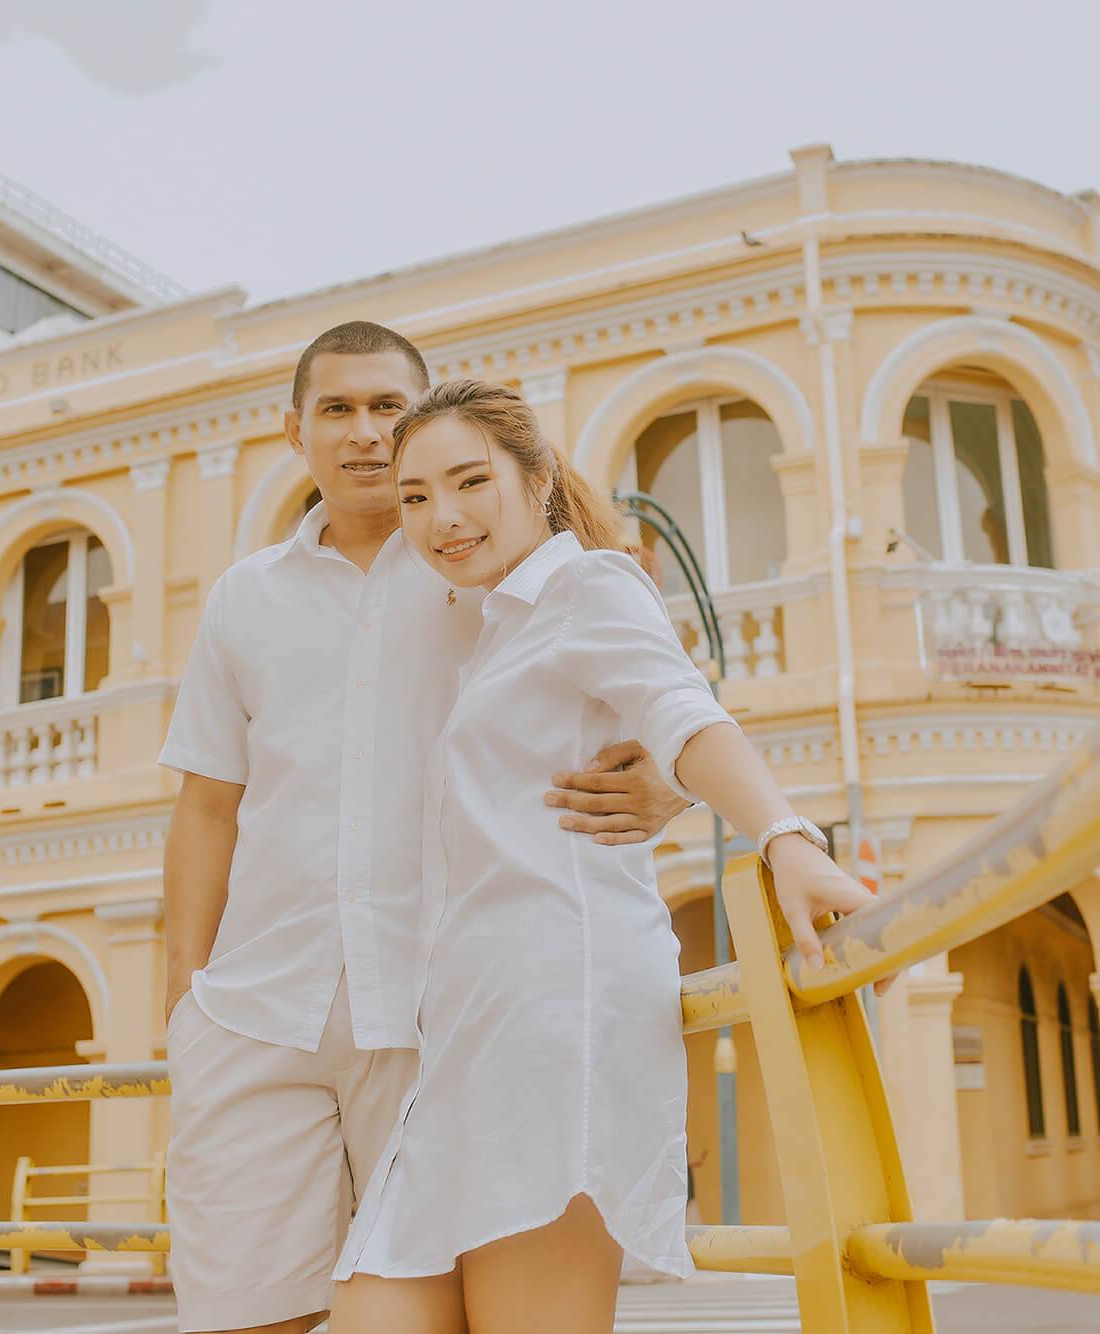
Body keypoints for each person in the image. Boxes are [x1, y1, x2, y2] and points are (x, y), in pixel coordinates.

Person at [160, 327, 687, 1334]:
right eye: (337, 408)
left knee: (432, 1311)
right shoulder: (243, 599)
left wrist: (669, 785)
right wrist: (185, 990)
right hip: (257, 1006)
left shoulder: (487, 565)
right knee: (239, 1311)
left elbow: (645, 691)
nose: (365, 433)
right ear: (293, 428)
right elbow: (207, 803)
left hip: (440, 1016)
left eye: (387, 408)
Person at [328, 380, 876, 1334]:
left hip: (555, 1017)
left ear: (537, 477)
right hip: (469, 1028)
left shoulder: (586, 585)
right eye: (415, 497)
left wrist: (785, 836)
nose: (442, 518)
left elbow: (682, 711)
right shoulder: (489, 625)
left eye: (469, 481)